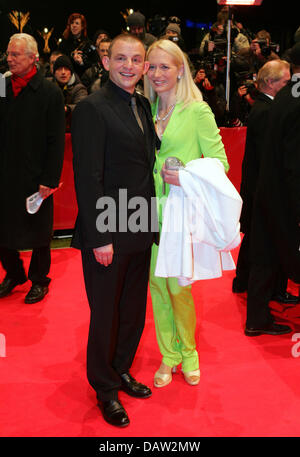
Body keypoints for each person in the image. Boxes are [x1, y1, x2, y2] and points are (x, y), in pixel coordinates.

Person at [71, 34, 157, 427]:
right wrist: (100, 235)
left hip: (140, 220)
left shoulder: (141, 103)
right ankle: (104, 388)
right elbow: (88, 177)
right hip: (110, 225)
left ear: (143, 65)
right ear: (105, 62)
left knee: (132, 310)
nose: (128, 66)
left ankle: (121, 369)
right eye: (120, 58)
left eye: (136, 59)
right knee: (105, 313)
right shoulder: (92, 108)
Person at [145, 39, 229, 388]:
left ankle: (189, 354)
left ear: (181, 70)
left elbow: (220, 163)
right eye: (152, 66)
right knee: (157, 288)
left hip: (180, 216)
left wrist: (185, 176)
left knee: (179, 289)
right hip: (145, 214)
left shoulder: (198, 112)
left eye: (166, 66)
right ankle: (169, 355)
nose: (158, 73)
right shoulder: (143, 110)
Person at [0, 33, 65, 303]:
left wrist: (49, 179)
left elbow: (56, 140)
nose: (9, 59)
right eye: (8, 53)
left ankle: (39, 279)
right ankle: (14, 273)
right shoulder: (2, 85)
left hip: (36, 175)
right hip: (4, 172)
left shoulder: (50, 92)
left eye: (15, 54)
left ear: (32, 58)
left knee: (39, 231)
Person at [244, 43, 300, 336]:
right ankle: (257, 318)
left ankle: (257, 318)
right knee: (272, 256)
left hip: (269, 189)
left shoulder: (283, 98)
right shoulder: (295, 99)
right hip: (284, 194)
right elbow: (295, 159)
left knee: (265, 257)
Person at [233, 59, 299, 306]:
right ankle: (264, 290)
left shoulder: (263, 109)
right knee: (265, 244)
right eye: (286, 82)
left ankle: (242, 281)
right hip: (262, 187)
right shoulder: (267, 112)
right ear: (271, 83)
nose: (291, 87)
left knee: (254, 238)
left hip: (256, 186)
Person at [50, 55, 88, 131]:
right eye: (60, 69)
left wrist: (67, 108)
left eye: (66, 69)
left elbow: (82, 107)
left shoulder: (79, 88)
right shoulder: (48, 85)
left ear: (71, 73)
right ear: (54, 72)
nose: (63, 72)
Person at [58, 13, 96, 77]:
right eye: (72, 23)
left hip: (83, 78)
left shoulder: (89, 43)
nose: (74, 25)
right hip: (66, 76)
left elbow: (94, 63)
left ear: (82, 27)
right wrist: (71, 56)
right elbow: (59, 60)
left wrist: (81, 63)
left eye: (77, 23)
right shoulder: (64, 43)